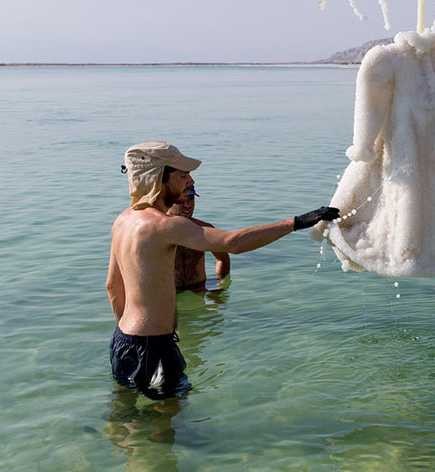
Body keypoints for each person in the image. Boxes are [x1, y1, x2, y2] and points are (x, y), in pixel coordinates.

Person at [107, 141, 338, 399]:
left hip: (123, 340)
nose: (190, 180)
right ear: (157, 179)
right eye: (182, 175)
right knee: (168, 414)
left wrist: (130, 337)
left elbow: (112, 286)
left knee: (123, 407)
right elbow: (232, 243)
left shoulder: (123, 220)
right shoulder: (164, 225)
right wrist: (298, 222)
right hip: (153, 345)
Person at [166, 185, 231, 291]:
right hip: (170, 293)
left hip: (199, 290)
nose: (187, 205)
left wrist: (220, 287)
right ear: (169, 202)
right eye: (182, 200)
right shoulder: (156, 231)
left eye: (191, 199)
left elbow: (222, 258)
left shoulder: (203, 229)